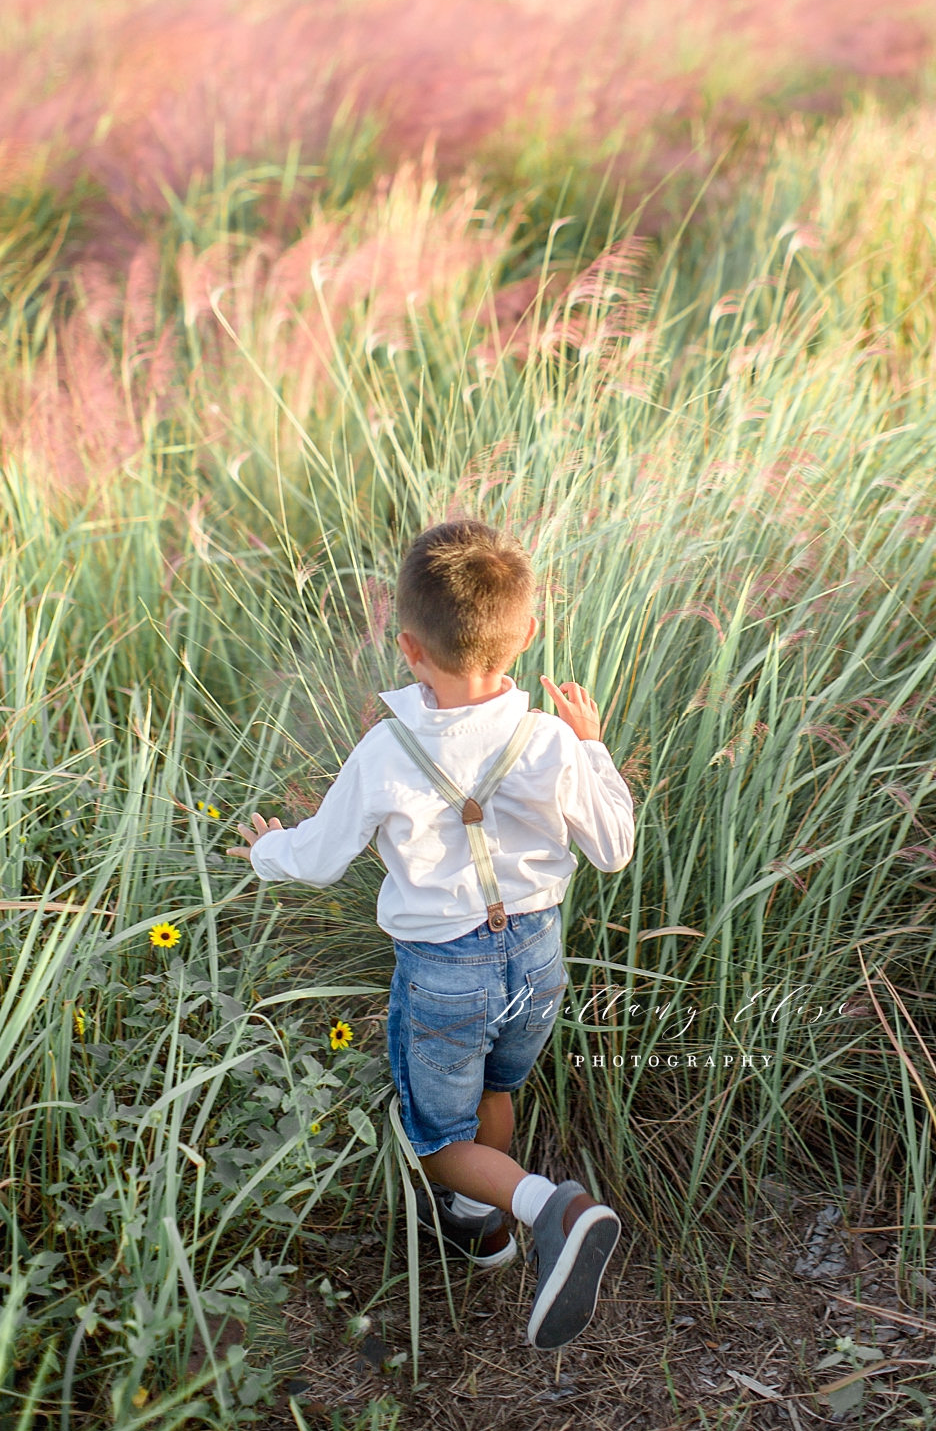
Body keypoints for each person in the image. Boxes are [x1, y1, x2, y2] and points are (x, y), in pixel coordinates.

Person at [228, 517, 635, 1350]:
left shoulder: (385, 750)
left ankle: (545, 1207)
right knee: (497, 1088)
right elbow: (613, 848)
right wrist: (593, 749)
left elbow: (315, 859)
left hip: (444, 970)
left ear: (408, 649)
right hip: (536, 957)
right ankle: (481, 1233)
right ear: (527, 633)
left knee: (437, 1138)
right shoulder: (553, 739)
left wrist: (265, 850)